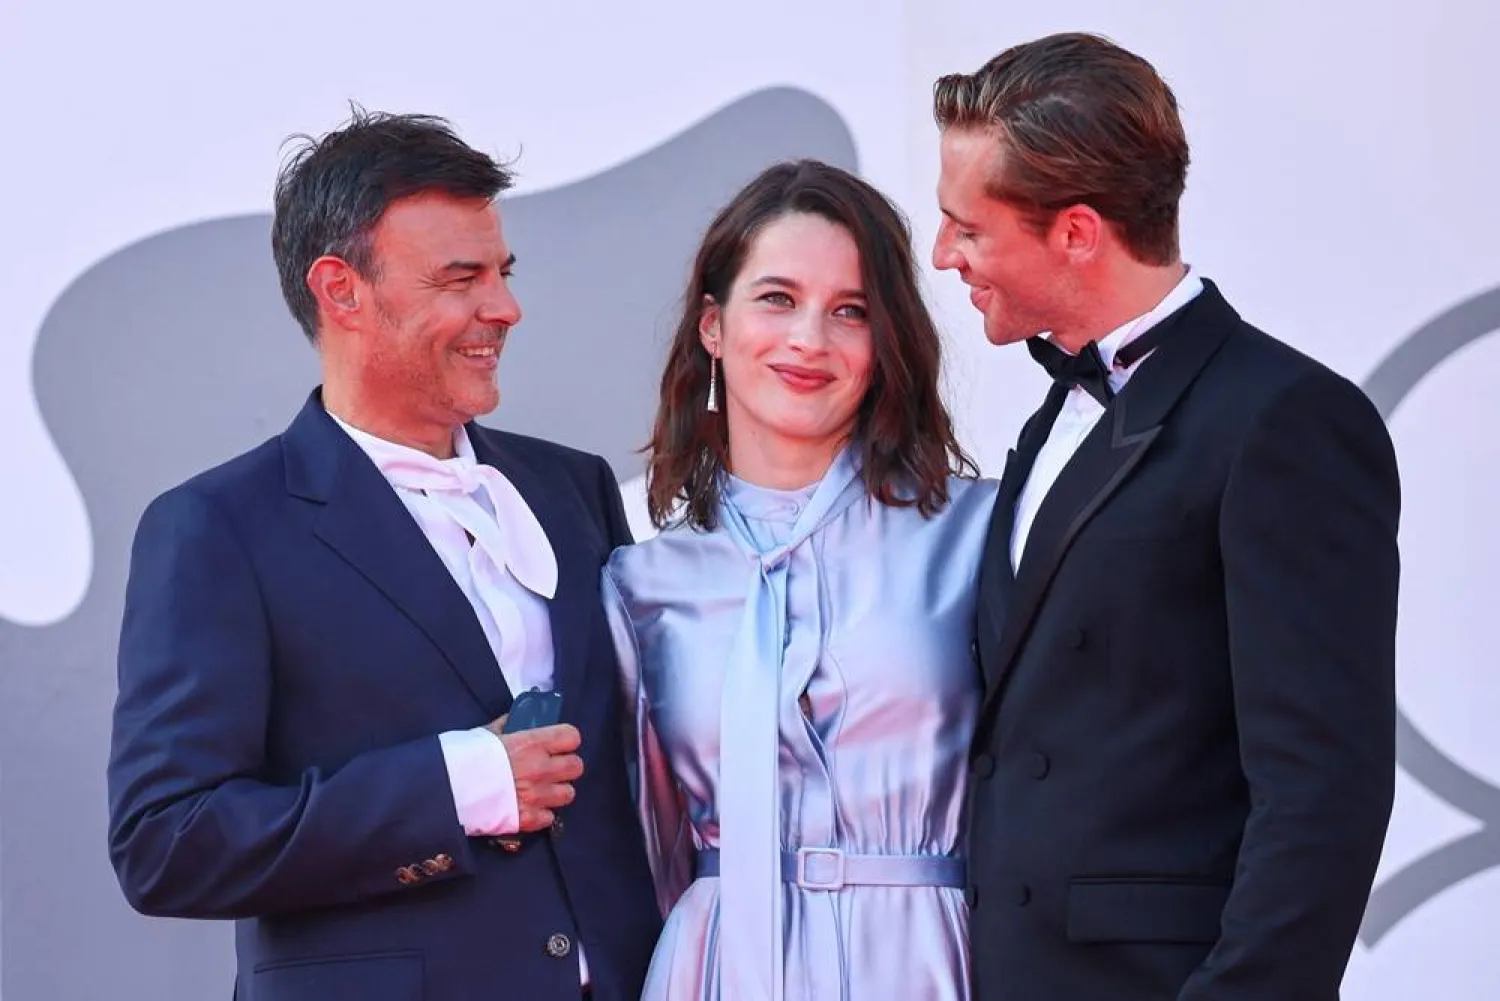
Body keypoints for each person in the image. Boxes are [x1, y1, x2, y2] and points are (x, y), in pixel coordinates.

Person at [106, 110, 660, 1001]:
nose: (505, 308)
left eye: (503, 273)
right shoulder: (216, 527)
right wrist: (456, 786)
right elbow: (167, 842)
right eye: (460, 278)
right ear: (341, 291)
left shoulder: (573, 489)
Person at [930, 32, 1401, 1001]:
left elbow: (1323, 790)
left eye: (968, 227)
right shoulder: (1054, 410)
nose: (944, 255)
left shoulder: (1284, 419)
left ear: (1076, 231)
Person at [601, 159, 996, 1000]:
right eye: (777, 298)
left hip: (925, 960)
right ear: (713, 326)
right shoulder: (641, 584)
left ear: (884, 343)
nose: (809, 339)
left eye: (849, 311)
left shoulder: (977, 535)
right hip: (712, 968)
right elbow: (641, 843)